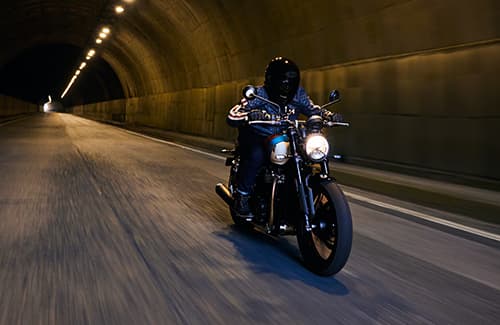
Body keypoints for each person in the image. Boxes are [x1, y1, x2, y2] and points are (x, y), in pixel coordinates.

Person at [226, 57, 343, 218]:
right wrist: (249, 114)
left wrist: (327, 115)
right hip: (260, 136)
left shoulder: (298, 94)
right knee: (256, 155)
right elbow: (233, 114)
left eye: (291, 80)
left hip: (288, 137)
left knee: (307, 155)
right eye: (283, 80)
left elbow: (311, 109)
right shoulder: (258, 94)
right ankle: (242, 197)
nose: (287, 84)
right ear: (271, 80)